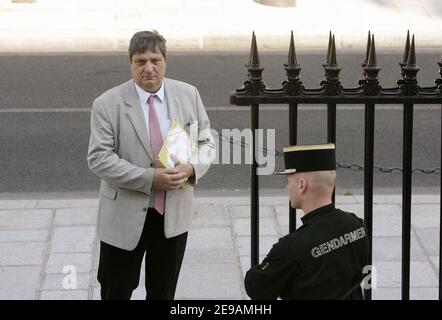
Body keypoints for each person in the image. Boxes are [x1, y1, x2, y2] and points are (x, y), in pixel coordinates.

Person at [87, 30, 215, 300]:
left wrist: (192, 168)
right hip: (124, 216)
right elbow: (99, 158)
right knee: (116, 291)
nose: (148, 68)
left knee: (163, 293)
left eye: (155, 60)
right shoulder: (107, 103)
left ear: (165, 61)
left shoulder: (188, 94)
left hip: (172, 216)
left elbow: (207, 142)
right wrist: (149, 178)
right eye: (140, 61)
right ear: (131, 64)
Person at [244, 144, 369, 300]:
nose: (287, 187)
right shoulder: (357, 226)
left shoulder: (292, 247)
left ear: (302, 185)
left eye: (288, 180)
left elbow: (255, 287)